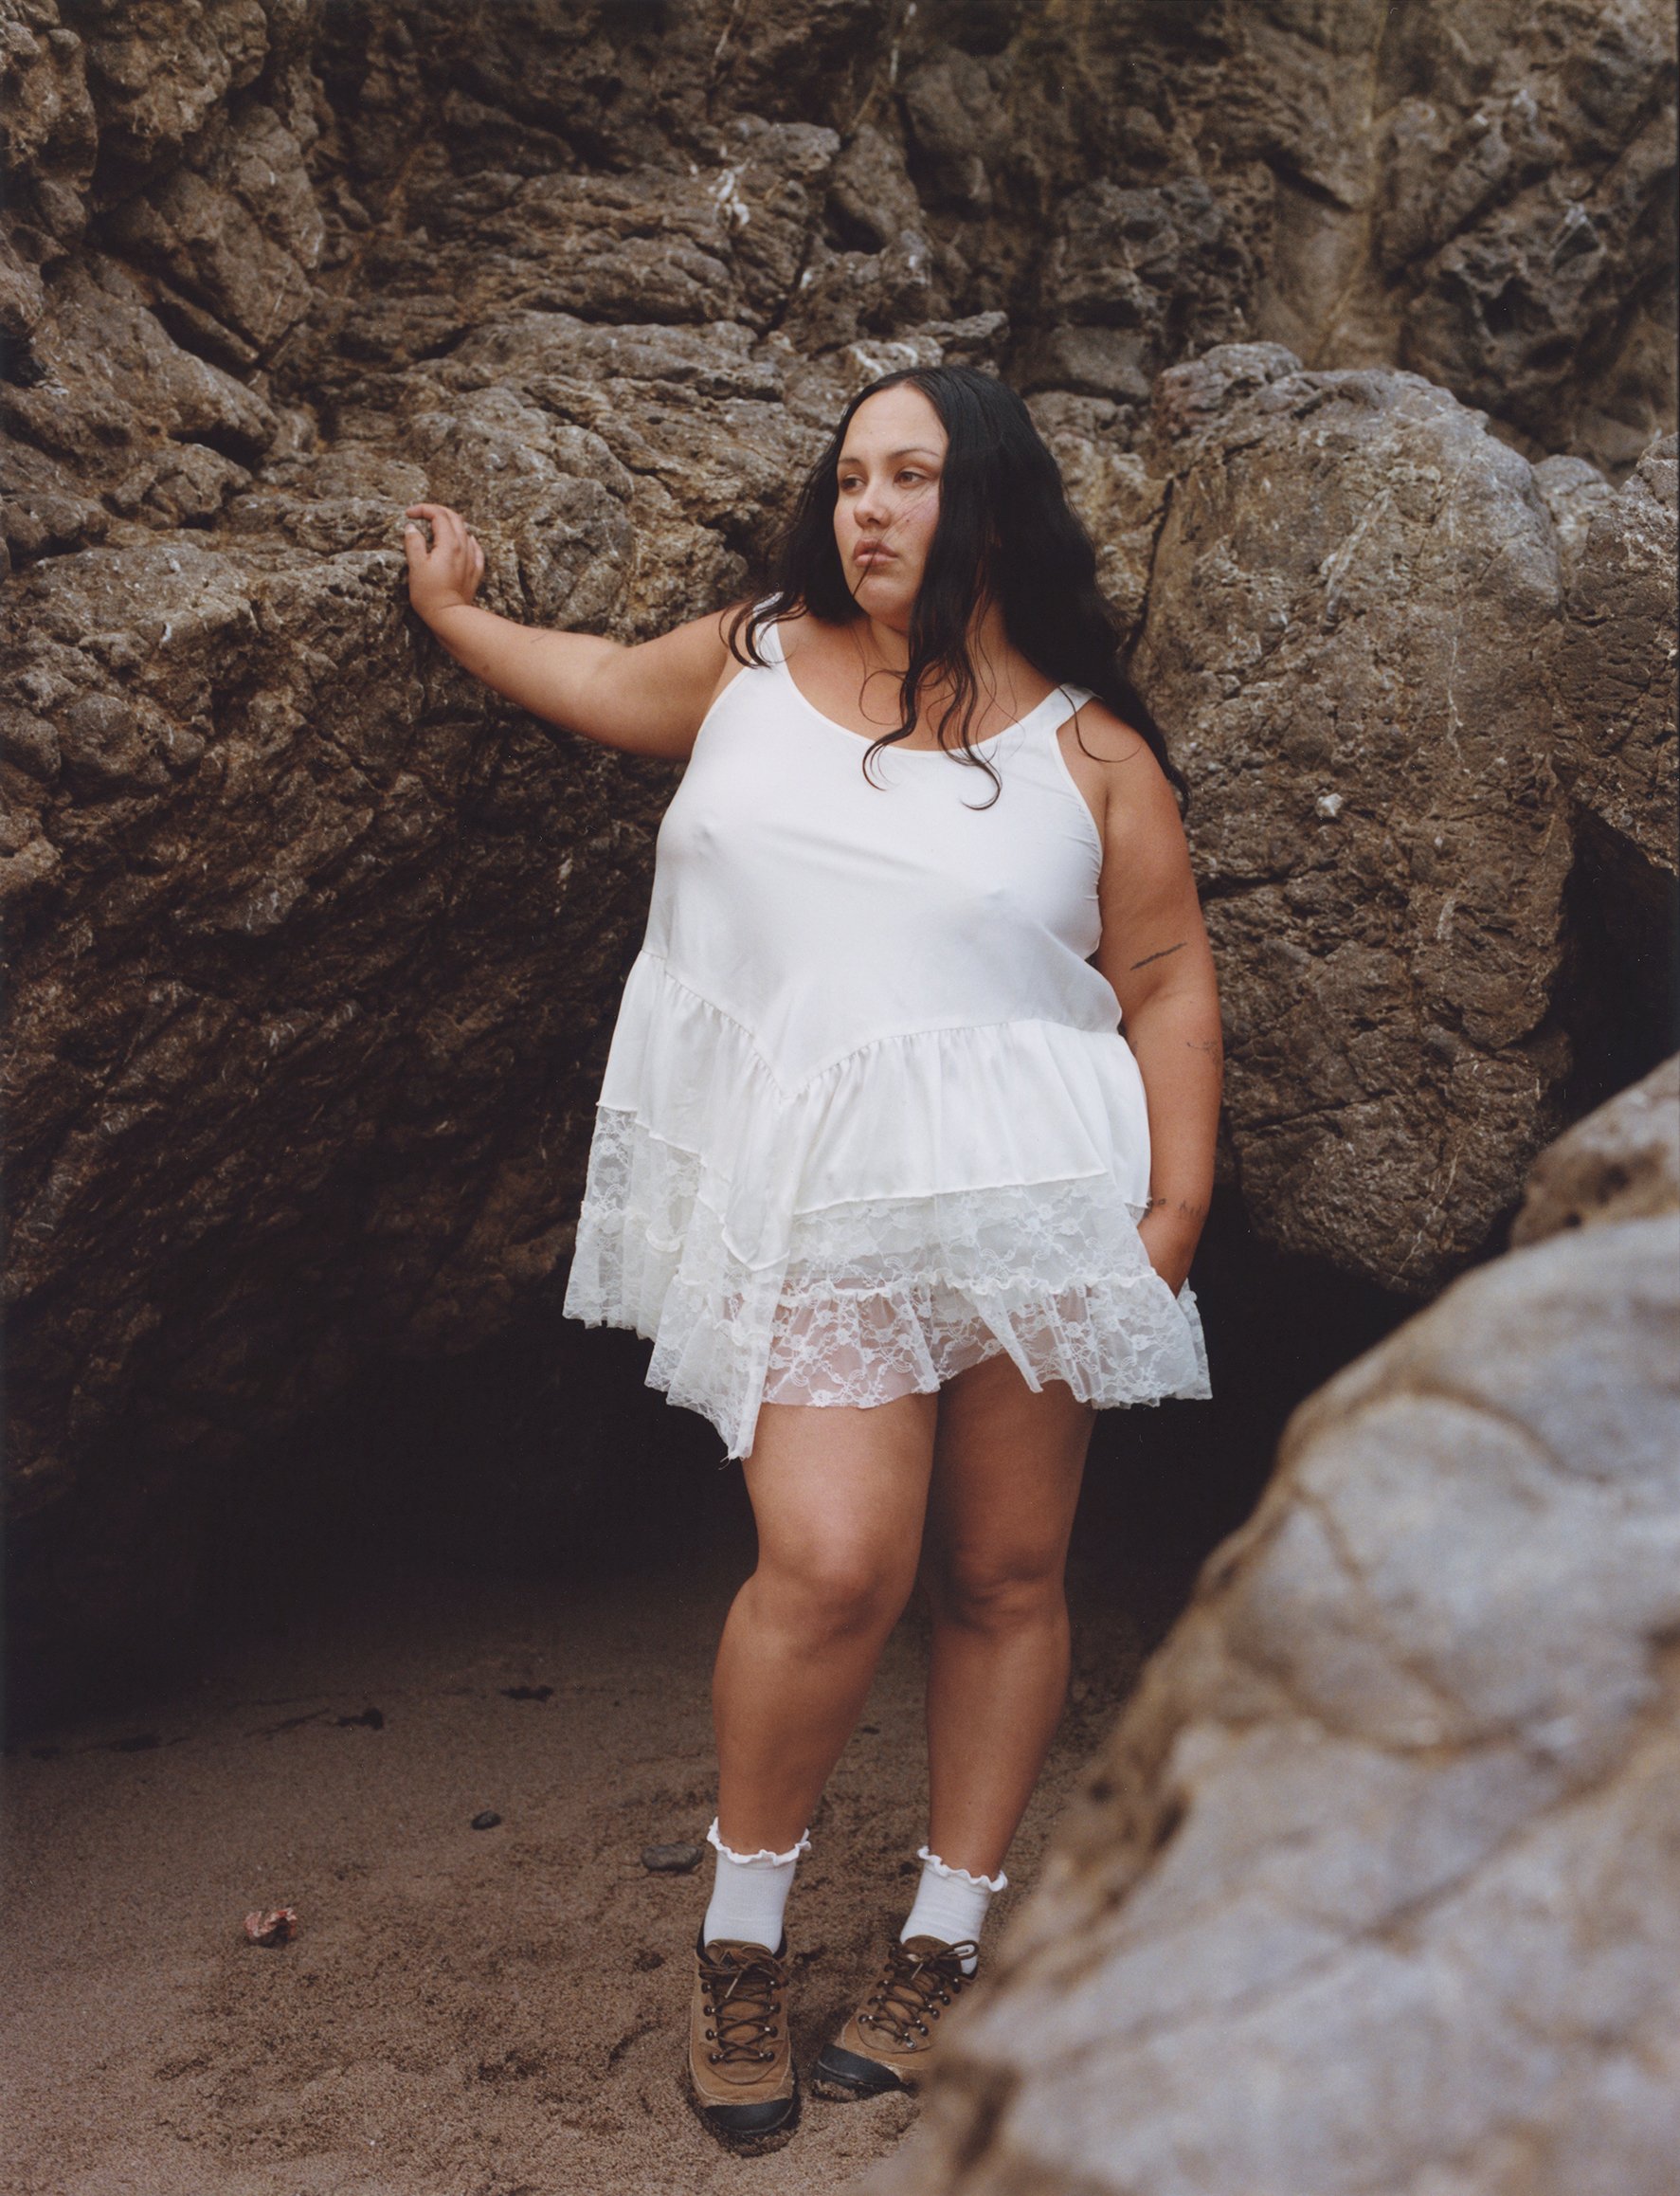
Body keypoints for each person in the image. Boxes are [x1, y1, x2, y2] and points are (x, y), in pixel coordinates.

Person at [402, 363, 1219, 2143]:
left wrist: (1167, 1213)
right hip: (819, 1200)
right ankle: (742, 1937)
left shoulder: (1089, 750)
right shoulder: (754, 657)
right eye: (851, 476)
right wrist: (455, 616)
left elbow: (1160, 975)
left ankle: (942, 1936)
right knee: (834, 1562)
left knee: (1003, 1571)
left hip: (1033, 1194)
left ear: (988, 501)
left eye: (910, 476)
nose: (868, 507)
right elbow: (601, 685)